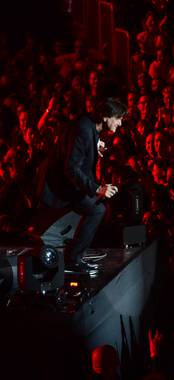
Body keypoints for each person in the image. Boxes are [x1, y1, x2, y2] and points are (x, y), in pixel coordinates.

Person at [40, 98, 127, 273]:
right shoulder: (84, 131)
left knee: (99, 208)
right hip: (62, 186)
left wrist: (95, 148)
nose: (120, 122)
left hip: (69, 182)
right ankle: (73, 260)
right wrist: (97, 189)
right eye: (118, 118)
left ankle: (74, 256)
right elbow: (71, 169)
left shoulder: (90, 126)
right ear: (105, 116)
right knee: (97, 209)